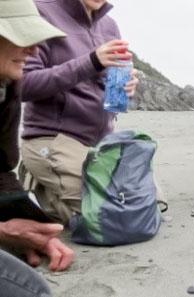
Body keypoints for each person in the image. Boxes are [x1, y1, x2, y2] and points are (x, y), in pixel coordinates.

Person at [19, 0, 139, 224]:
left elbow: (105, 82)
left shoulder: (109, 25)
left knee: (145, 203)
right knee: (112, 219)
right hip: (55, 138)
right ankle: (40, 191)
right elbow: (23, 84)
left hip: (101, 142)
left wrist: (127, 88)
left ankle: (57, 189)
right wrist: (92, 61)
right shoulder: (41, 11)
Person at [1, 0, 74, 295]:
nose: (33, 50)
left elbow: (1, 168)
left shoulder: (7, 83)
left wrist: (34, 230)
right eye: (22, 38)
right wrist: (5, 232)